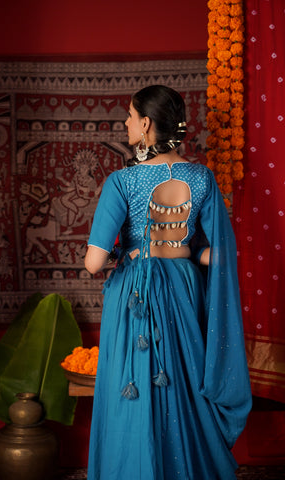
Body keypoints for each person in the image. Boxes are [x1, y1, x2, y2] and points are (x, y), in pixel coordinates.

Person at [84, 85, 252, 480]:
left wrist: (123, 256)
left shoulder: (121, 183)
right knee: (182, 381)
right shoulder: (202, 178)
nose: (125, 123)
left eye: (129, 116)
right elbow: (220, 253)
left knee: (135, 383)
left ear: (145, 124)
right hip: (183, 287)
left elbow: (93, 263)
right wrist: (190, 254)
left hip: (135, 294)